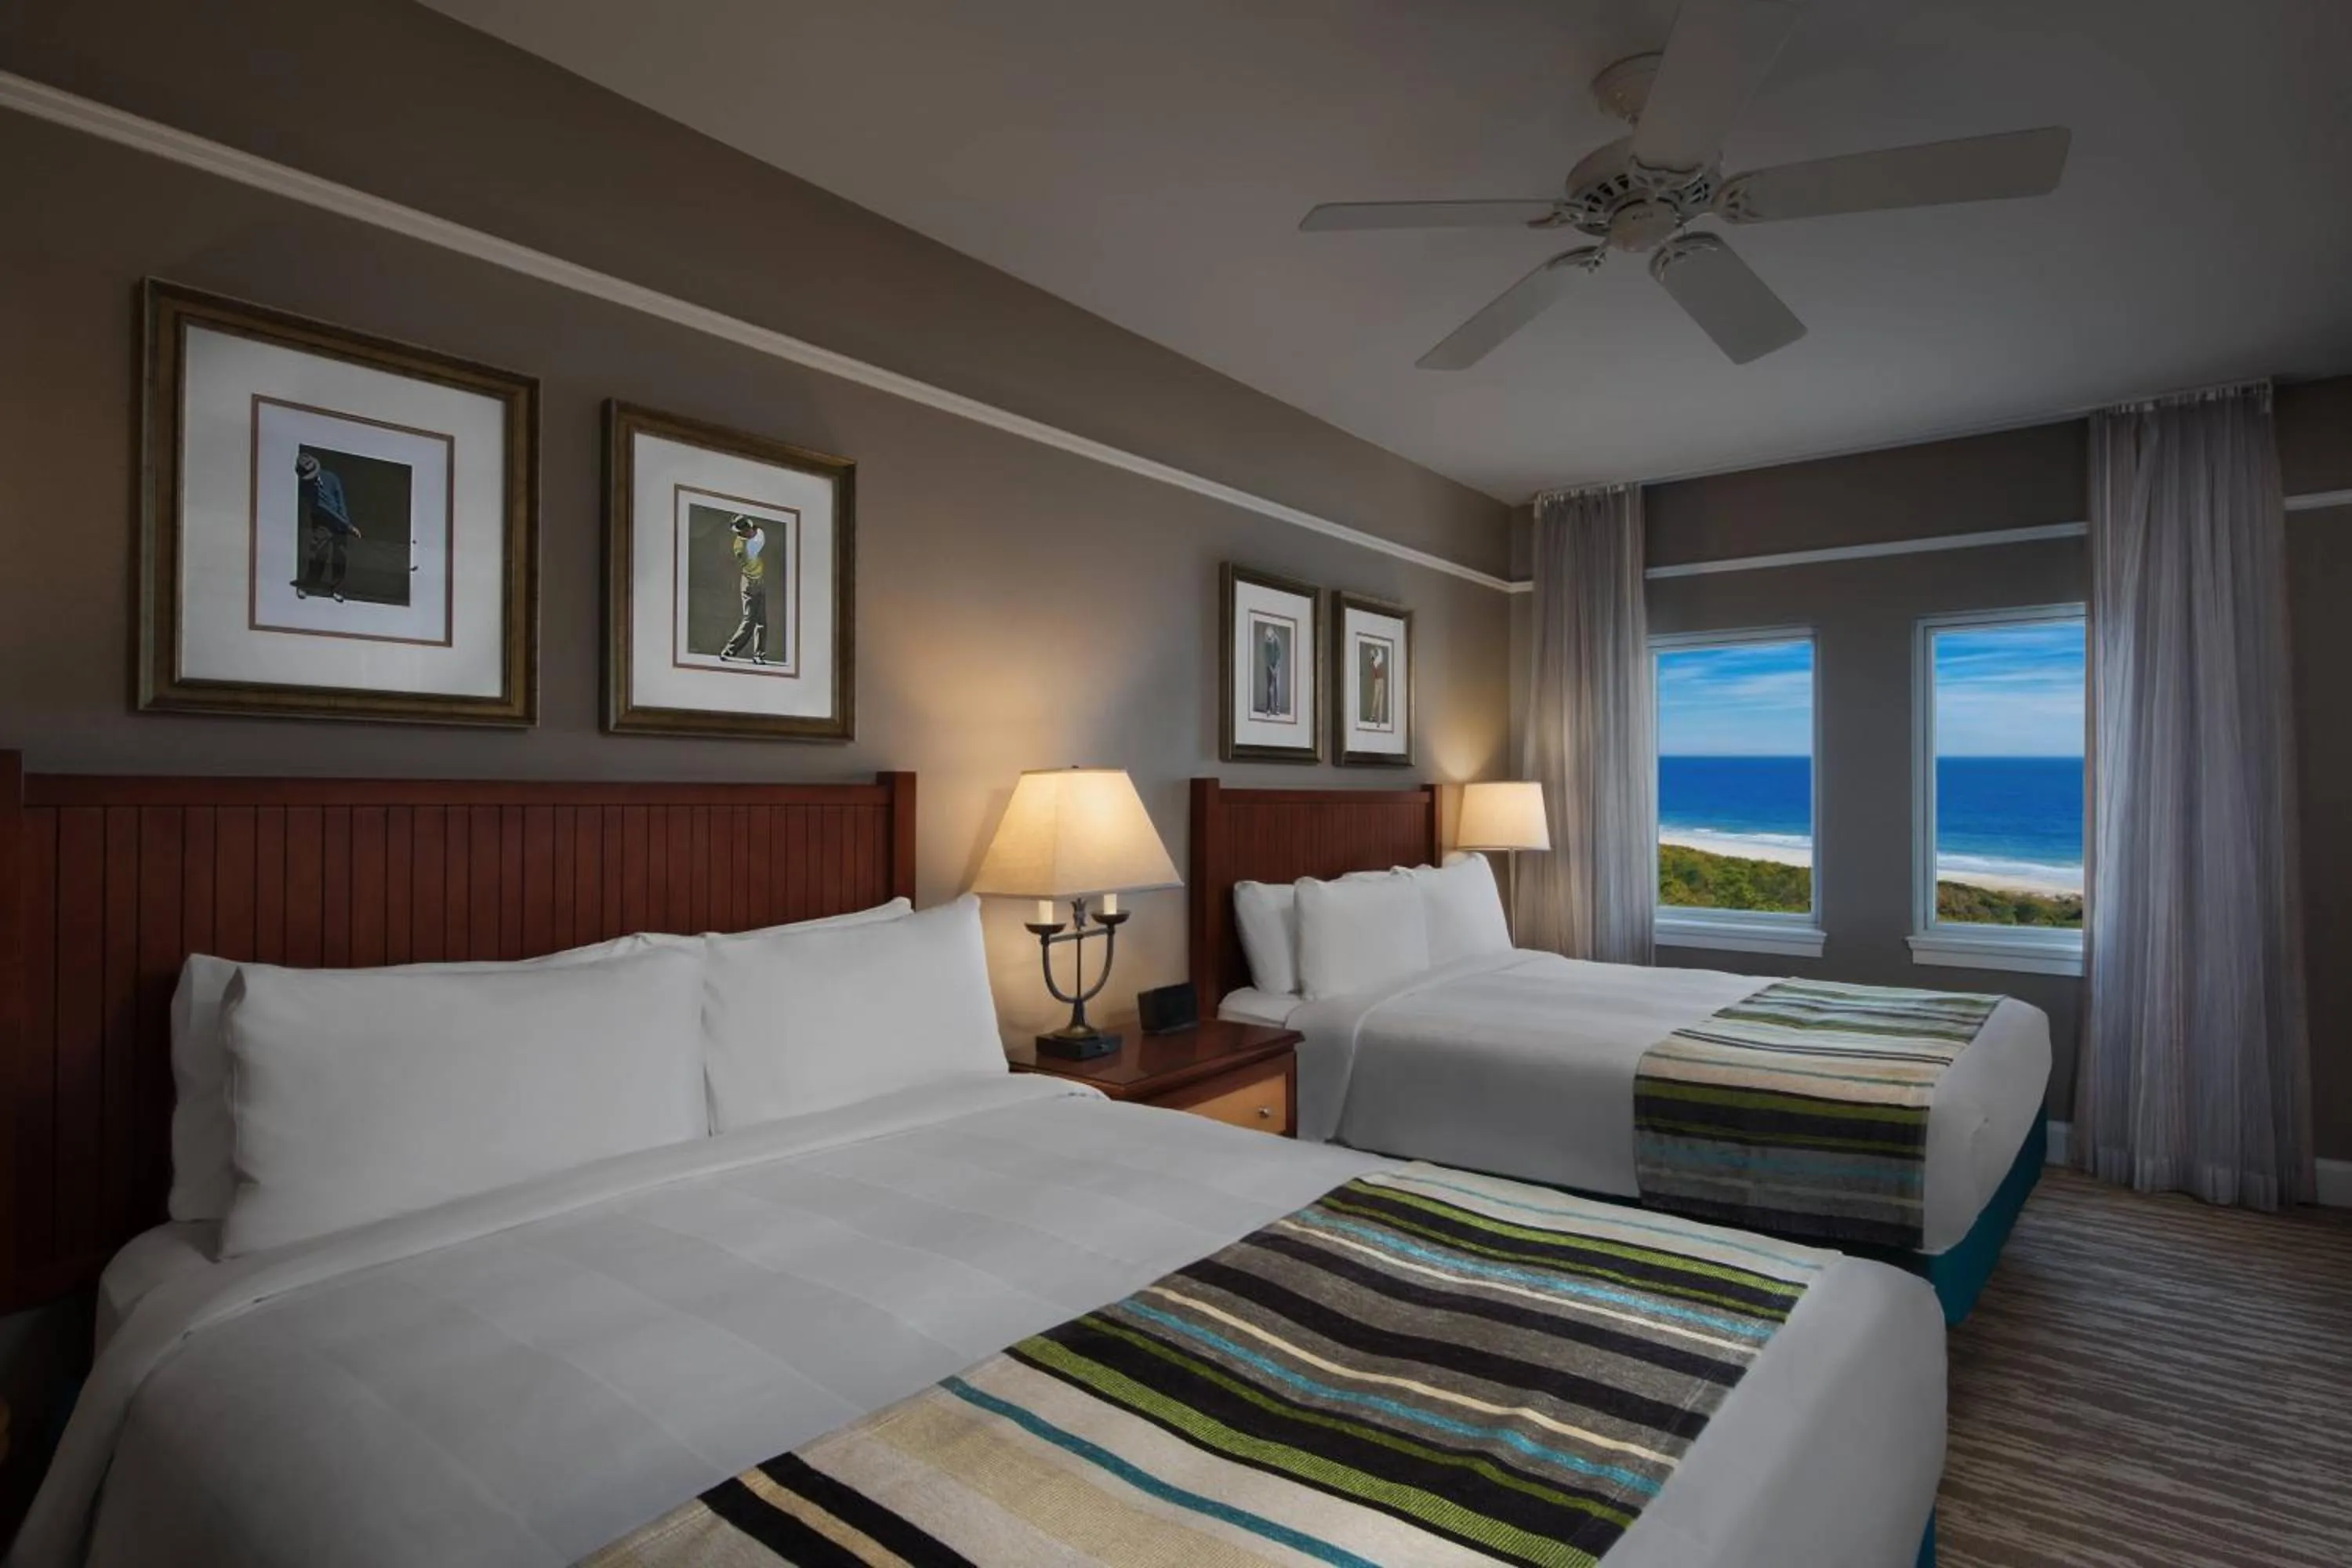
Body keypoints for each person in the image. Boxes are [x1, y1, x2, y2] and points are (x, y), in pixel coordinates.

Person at [291, 452, 361, 602]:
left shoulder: (331, 477)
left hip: (340, 518)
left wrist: (345, 521)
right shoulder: (306, 489)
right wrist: (348, 526)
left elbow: (340, 500)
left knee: (341, 555)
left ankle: (337, 588)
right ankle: (309, 585)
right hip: (322, 519)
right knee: (318, 551)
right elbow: (325, 509)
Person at [719, 515, 768, 664]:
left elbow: (758, 533)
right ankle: (728, 651)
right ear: (742, 531)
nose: (750, 531)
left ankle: (759, 655)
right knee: (749, 622)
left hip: (759, 583)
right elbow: (760, 536)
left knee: (762, 622)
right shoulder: (743, 547)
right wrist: (757, 529)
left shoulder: (750, 540)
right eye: (747, 529)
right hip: (750, 584)